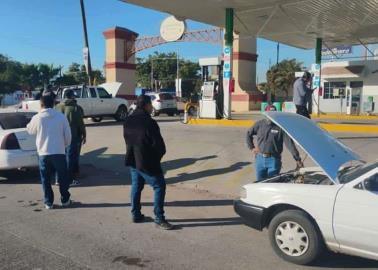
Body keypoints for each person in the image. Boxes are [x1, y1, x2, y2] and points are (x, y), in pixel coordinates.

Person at [123, 95, 173, 230]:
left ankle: (136, 214)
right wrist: (156, 159)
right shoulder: (149, 122)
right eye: (150, 105)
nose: (152, 107)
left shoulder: (128, 120)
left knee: (136, 186)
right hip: (146, 162)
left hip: (133, 159)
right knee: (159, 186)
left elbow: (128, 140)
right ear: (145, 105)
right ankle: (159, 218)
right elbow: (159, 146)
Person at [27, 95, 72, 209]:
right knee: (63, 177)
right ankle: (65, 199)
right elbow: (68, 136)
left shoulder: (37, 117)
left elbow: (30, 131)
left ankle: (49, 202)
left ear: (41, 104)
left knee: (45, 179)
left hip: (43, 153)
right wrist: (64, 145)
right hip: (59, 152)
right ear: (53, 104)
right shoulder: (61, 117)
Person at [246, 106, 304, 182]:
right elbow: (248, 134)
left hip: (274, 160)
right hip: (260, 159)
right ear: (265, 114)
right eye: (268, 114)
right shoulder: (259, 124)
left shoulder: (280, 127)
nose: (270, 117)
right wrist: (252, 147)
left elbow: (290, 144)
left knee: (272, 184)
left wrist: (297, 159)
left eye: (272, 114)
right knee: (259, 184)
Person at [56, 89, 86, 186]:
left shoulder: (57, 107)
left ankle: (58, 179)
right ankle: (69, 180)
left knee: (60, 158)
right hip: (73, 137)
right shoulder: (76, 108)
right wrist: (84, 135)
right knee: (71, 158)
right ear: (73, 96)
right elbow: (80, 124)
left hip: (59, 136)